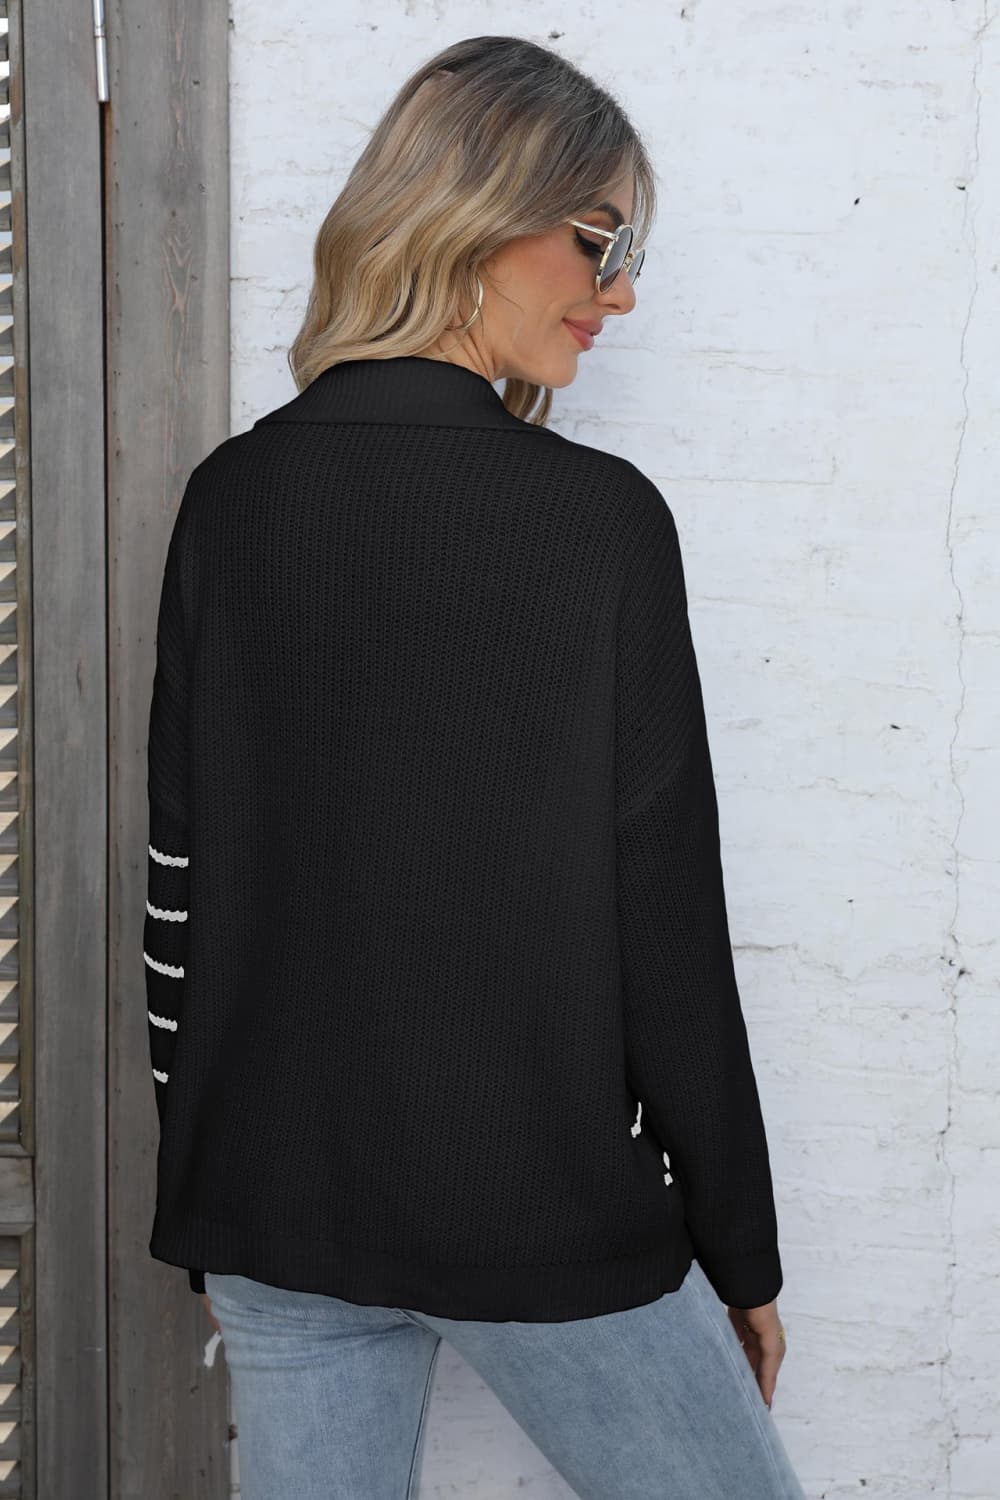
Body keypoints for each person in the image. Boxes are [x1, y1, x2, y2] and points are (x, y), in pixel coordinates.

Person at [143, 33, 808, 1500]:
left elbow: (179, 889)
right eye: (600, 240)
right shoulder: (598, 523)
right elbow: (663, 926)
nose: (618, 292)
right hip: (537, 1213)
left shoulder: (232, 499)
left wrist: (206, 1184)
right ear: (479, 216)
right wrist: (740, 1251)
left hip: (267, 1207)